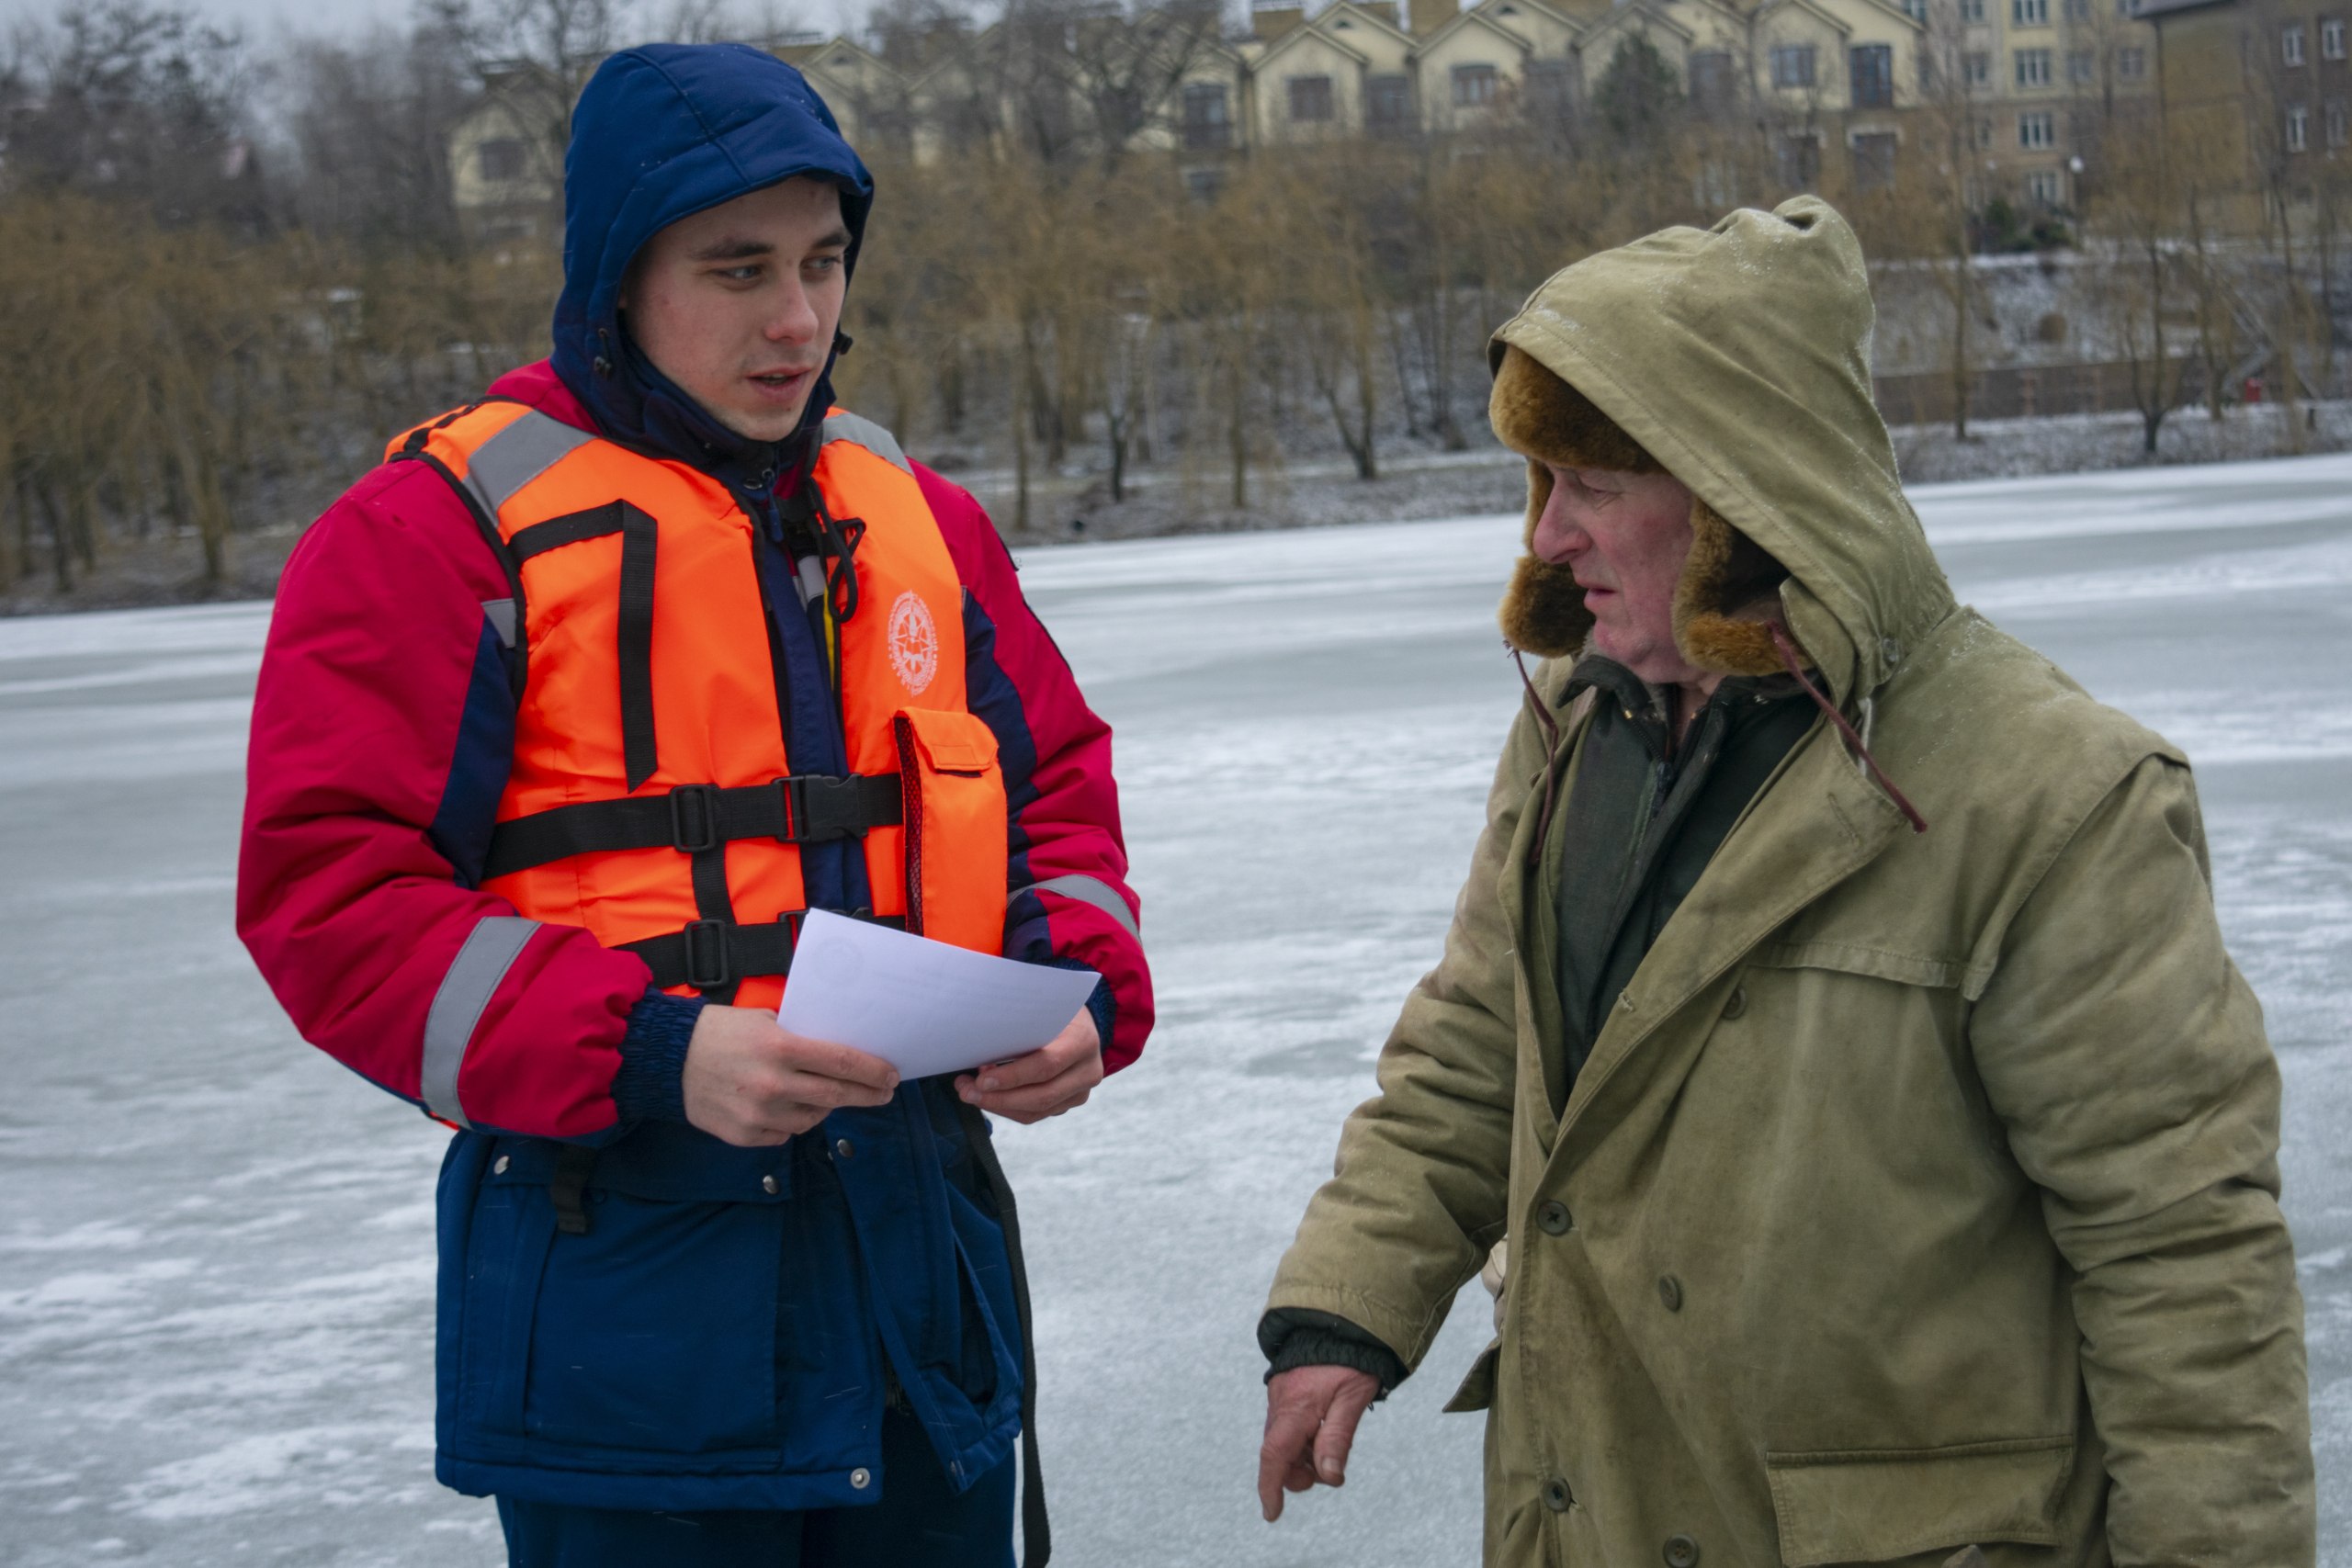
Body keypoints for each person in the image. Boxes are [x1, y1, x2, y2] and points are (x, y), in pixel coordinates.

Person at [1254, 198, 2313, 1567]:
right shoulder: (1582, 727)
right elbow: (1476, 1045)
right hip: (1592, 1512)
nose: (1548, 540)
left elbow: (2184, 1267)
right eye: (1541, 485)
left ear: (1741, 490)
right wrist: (1346, 1313)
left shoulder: (2052, 794)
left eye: (1594, 484)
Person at [237, 43, 1150, 1568]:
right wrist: (652, 1052)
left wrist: (1079, 989)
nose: (797, 319)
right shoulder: (432, 533)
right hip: (629, 1336)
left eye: (823, 260)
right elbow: (330, 899)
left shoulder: (917, 518)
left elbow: (1056, 786)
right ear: (616, 278)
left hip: (921, 1301)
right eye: (736, 270)